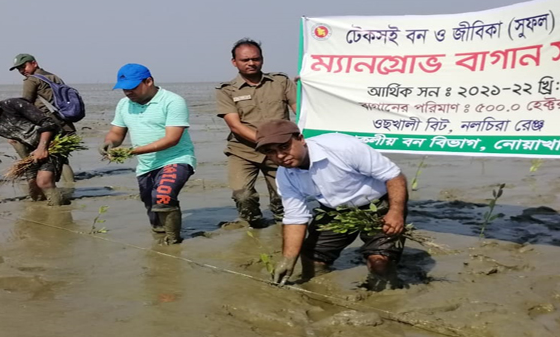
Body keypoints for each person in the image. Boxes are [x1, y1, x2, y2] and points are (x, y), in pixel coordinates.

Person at [256, 120, 410, 291]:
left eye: (284, 147)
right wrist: (288, 259)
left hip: (379, 203)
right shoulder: (285, 176)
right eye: (270, 152)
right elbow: (295, 218)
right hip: (336, 210)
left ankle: (388, 295)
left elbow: (394, 176)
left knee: (379, 262)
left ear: (300, 139)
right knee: (311, 260)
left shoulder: (342, 147)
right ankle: (322, 296)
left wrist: (396, 212)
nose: (280, 156)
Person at [100, 64, 196, 245]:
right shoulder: (124, 105)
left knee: (163, 196)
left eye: (132, 87)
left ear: (149, 81)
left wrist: (131, 151)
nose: (128, 92)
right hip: (146, 165)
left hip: (176, 158)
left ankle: (174, 242)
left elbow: (172, 139)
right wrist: (109, 143)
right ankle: (160, 238)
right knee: (153, 211)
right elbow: (117, 133)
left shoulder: (173, 101)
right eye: (124, 89)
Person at [215, 39, 297, 227]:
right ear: (234, 62)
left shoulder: (281, 82)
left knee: (284, 198)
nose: (251, 63)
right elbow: (235, 126)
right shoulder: (226, 91)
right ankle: (254, 224)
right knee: (242, 195)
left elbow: (301, 109)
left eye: (255, 59)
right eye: (245, 60)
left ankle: (280, 225)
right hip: (243, 151)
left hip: (280, 150)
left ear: (262, 59)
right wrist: (266, 142)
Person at [10, 53, 77, 184]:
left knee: (18, 142)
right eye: (19, 69)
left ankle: (42, 181)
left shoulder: (31, 80)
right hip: (65, 123)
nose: (22, 71)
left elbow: (26, 105)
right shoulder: (54, 77)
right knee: (62, 158)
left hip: (49, 126)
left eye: (24, 67)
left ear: (34, 63)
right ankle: (71, 186)